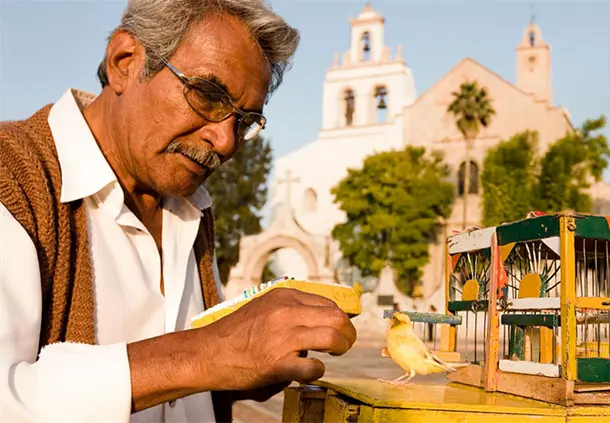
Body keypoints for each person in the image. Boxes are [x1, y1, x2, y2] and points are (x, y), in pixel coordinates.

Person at [0, 1, 356, 423]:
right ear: (124, 62)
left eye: (244, 122)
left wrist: (239, 373)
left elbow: (191, 391)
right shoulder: (14, 177)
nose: (225, 141)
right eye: (208, 94)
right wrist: (210, 352)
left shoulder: (193, 210)